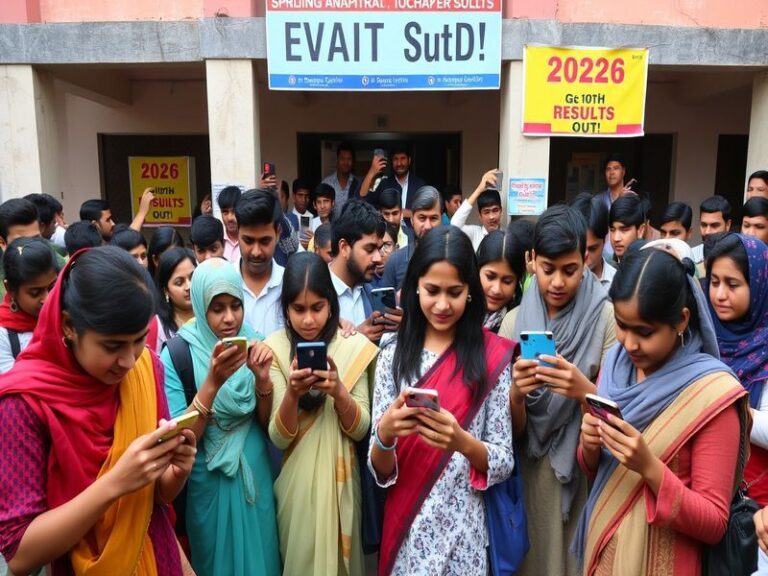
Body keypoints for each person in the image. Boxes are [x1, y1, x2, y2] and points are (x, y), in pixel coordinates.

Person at [0, 247, 196, 576]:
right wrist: (115, 483)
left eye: (137, 340)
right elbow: (20, 553)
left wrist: (175, 473)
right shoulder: (23, 403)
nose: (129, 360)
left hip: (158, 558)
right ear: (68, 325)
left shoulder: (146, 369)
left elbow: (155, 498)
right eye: (112, 346)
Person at [573, 247, 749, 575]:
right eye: (622, 326)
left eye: (645, 332)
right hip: (604, 552)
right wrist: (589, 446)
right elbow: (597, 471)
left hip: (663, 562)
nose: (629, 343)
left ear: (681, 320)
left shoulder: (711, 393)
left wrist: (649, 467)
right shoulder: (615, 365)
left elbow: (713, 522)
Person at [369, 226, 515, 575]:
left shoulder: (489, 357)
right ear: (415, 286)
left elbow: (504, 459)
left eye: (455, 292)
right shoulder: (392, 355)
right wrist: (385, 433)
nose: (443, 304)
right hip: (409, 535)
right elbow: (379, 471)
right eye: (432, 290)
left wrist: (461, 442)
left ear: (470, 293)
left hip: (464, 539)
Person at [500, 205, 616, 576]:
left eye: (570, 270)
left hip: (580, 472)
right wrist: (517, 394)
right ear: (531, 260)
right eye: (548, 269)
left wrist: (583, 391)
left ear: (586, 259)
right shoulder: (513, 322)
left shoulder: (607, 317)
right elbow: (508, 431)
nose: (558, 282)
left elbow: (620, 414)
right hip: (529, 473)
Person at [161, 257, 280, 576]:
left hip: (254, 470)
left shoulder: (257, 341)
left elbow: (268, 425)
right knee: (215, 563)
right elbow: (181, 436)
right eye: (217, 308)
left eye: (235, 305)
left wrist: (263, 381)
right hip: (207, 477)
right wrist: (212, 383)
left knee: (263, 559)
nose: (229, 318)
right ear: (200, 306)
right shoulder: (177, 354)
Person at [266, 252, 378, 575]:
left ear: (331, 304)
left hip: (342, 485)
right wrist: (292, 394)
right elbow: (278, 436)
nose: (309, 320)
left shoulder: (353, 347)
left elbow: (361, 430)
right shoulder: (274, 348)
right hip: (295, 490)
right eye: (298, 309)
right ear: (286, 309)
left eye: (317, 308)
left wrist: (338, 391)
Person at [705, 233, 768, 563]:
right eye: (714, 281)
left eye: (733, 284)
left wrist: (734, 411)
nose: (719, 294)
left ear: (757, 285)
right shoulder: (701, 337)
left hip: (756, 515)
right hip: (704, 500)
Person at [329, 200, 400, 343]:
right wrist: (357, 341)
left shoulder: (373, 293)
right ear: (344, 247)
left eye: (379, 249)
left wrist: (400, 328)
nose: (378, 259)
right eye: (369, 249)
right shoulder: (313, 292)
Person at [0, 238, 59, 373]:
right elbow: (14, 384)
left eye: (52, 287)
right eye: (35, 292)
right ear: (10, 289)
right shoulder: (4, 337)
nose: (47, 298)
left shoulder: (67, 314)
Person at [234, 189, 285, 339]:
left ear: (278, 233)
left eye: (264, 241)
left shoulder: (290, 283)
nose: (256, 252)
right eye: (248, 241)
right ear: (237, 233)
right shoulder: (222, 283)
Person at [380, 186, 442, 292]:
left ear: (441, 219)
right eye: (422, 218)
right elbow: (383, 306)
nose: (427, 226)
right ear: (412, 220)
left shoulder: (454, 257)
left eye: (433, 218)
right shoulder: (395, 261)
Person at [476, 229, 526, 333]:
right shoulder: (457, 313)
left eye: (507, 281)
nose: (497, 289)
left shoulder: (522, 322)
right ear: (477, 271)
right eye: (490, 277)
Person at [570, 192, 615, 290]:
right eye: (580, 248)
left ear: (605, 239)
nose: (585, 255)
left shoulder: (617, 283)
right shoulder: (557, 284)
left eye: (592, 249)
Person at [154, 247, 197, 350]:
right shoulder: (157, 326)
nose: (188, 286)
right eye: (179, 283)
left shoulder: (210, 315)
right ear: (166, 290)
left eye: (192, 277)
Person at [451, 170, 503, 250]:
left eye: (495, 210)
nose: (491, 217)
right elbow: (454, 225)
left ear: (501, 211)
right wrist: (479, 189)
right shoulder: (474, 233)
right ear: (480, 216)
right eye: (486, 212)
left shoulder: (508, 237)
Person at [692, 195, 732, 266]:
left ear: (728, 225)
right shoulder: (691, 256)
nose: (707, 231)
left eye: (714, 225)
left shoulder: (737, 259)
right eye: (704, 225)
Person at [322, 142, 360, 214]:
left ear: (353, 161)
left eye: (349, 159)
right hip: (331, 225)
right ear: (337, 160)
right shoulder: (326, 183)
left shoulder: (358, 184)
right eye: (342, 158)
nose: (346, 162)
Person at [608, 193, 646, 264]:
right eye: (612, 230)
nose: (616, 238)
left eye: (624, 230)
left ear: (640, 230)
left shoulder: (649, 269)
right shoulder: (607, 266)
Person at [218, 185, 243, 262]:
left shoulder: (249, 240)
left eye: (234, 212)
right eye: (225, 212)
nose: (230, 218)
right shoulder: (217, 241)